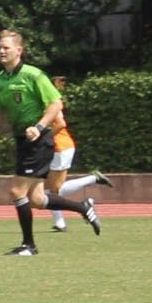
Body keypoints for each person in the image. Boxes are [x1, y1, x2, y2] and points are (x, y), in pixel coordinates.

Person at [0, 29, 101, 256]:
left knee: (16, 191)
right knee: (36, 199)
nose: (2, 51)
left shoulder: (34, 75)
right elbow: (0, 110)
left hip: (39, 140)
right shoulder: (1, 79)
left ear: (19, 51)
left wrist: (39, 127)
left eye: (6, 48)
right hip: (23, 141)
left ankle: (29, 245)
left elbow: (56, 104)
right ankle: (83, 207)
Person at [45, 76, 112, 233]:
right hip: (58, 149)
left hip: (60, 148)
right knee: (48, 191)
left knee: (50, 192)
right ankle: (60, 222)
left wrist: (43, 137)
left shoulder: (49, 104)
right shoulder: (45, 103)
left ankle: (92, 181)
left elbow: (61, 124)